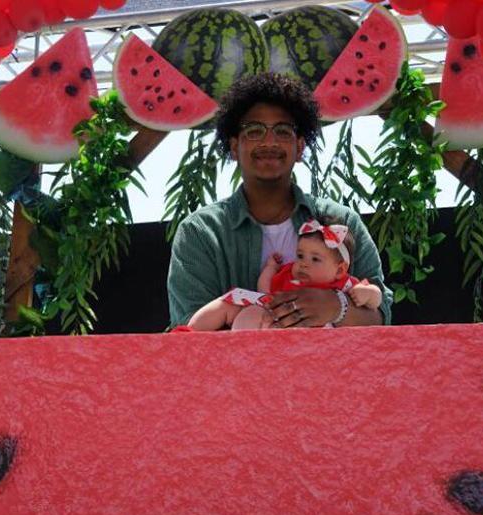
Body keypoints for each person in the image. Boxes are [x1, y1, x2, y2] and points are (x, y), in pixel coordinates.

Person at [167, 73, 393, 329]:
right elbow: (187, 333)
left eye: (283, 131)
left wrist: (334, 308)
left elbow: (381, 317)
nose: (269, 141)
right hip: (237, 370)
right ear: (233, 147)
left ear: (299, 148)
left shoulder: (344, 222)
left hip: (332, 369)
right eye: (254, 131)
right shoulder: (200, 233)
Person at [188, 217, 383, 330]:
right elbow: (265, 291)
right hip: (273, 318)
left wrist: (368, 294)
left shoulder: (344, 285)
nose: (304, 264)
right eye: (300, 255)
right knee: (234, 299)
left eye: (315, 259)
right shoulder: (290, 274)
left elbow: (376, 301)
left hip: (318, 336)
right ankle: (189, 333)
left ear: (340, 269)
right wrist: (271, 269)